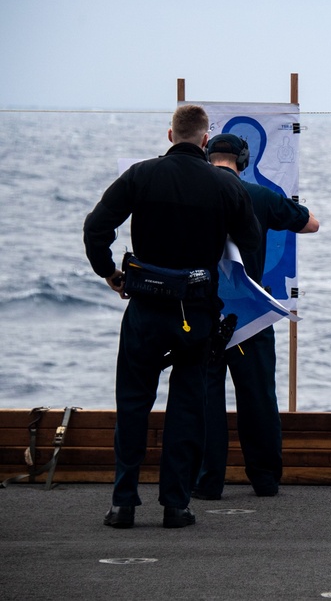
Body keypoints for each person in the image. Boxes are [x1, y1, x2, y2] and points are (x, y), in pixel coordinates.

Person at [83, 105, 261, 529]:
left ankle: (123, 503)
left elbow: (96, 228)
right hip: (195, 311)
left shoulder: (141, 175)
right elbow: (252, 241)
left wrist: (109, 272)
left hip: (144, 306)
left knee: (132, 404)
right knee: (187, 407)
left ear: (169, 135)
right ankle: (176, 505)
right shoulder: (224, 185)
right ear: (204, 140)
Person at [192, 134, 320, 500]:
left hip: (203, 312)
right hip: (250, 316)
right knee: (259, 398)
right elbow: (311, 224)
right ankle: (265, 480)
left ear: (207, 156)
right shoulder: (259, 196)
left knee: (205, 396)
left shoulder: (196, 192)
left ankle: (206, 480)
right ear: (244, 161)